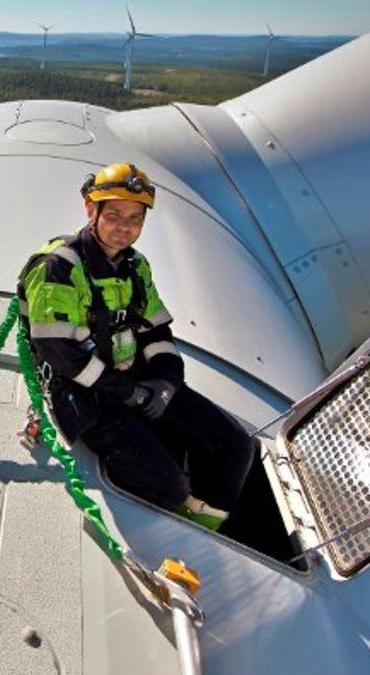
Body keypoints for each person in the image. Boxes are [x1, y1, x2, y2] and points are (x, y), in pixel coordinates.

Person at [17, 161, 253, 531]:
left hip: (133, 380)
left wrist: (166, 383)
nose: (124, 228)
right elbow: (60, 353)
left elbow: (156, 331)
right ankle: (181, 512)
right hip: (83, 390)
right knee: (168, 485)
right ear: (90, 210)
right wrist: (130, 393)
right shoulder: (59, 267)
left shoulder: (135, 267)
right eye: (113, 215)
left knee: (235, 445)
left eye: (135, 219)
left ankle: (209, 521)